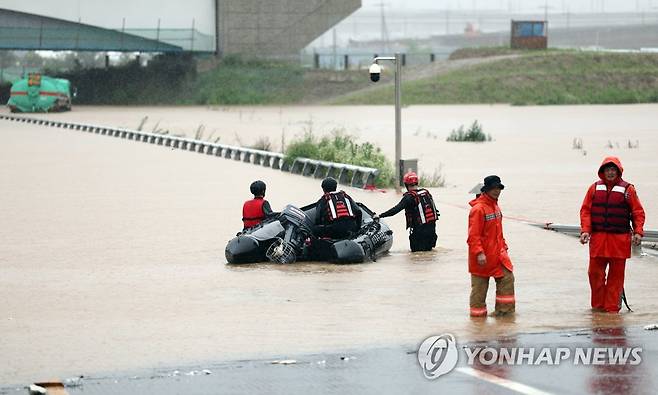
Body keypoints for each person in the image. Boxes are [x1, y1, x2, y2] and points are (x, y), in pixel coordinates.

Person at [579, 156, 645, 313]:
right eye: (607, 170)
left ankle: (611, 310)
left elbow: (638, 212)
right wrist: (585, 231)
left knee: (616, 278)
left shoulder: (629, 190)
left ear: (618, 171)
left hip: (619, 242)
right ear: (602, 172)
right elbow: (585, 211)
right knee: (594, 275)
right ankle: (598, 310)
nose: (610, 172)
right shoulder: (594, 188)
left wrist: (638, 232)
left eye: (613, 170)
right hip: (598, 241)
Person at [467, 175, 514, 317]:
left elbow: (498, 232)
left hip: (499, 255)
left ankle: (505, 316)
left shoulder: (495, 207)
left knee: (507, 279)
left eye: (498, 188)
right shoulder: (478, 209)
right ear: (486, 190)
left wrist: (504, 247)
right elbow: (473, 236)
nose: (496, 191)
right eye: (493, 188)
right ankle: (478, 325)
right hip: (482, 257)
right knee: (479, 291)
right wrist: (479, 253)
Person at [375, 171, 438, 252]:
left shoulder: (409, 197)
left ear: (406, 185)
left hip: (419, 233)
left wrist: (380, 215)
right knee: (428, 256)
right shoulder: (426, 193)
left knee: (417, 258)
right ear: (417, 183)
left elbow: (395, 210)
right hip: (432, 231)